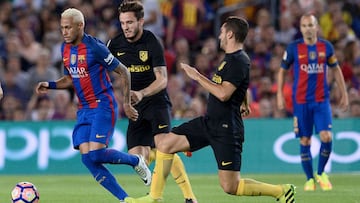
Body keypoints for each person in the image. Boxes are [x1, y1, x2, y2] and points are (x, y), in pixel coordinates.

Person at [127, 16, 295, 203]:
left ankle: (280, 191)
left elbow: (223, 93)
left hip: (226, 130)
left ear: (230, 34)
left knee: (231, 186)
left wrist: (197, 76)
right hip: (210, 122)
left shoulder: (238, 60)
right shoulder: (231, 59)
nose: (220, 35)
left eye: (222, 31)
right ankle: (154, 197)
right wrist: (244, 101)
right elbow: (241, 83)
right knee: (165, 144)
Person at [35, 8, 152, 203]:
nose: (64, 32)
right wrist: (51, 85)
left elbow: (124, 71)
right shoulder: (65, 48)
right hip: (84, 109)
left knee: (96, 153)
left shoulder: (94, 47)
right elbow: (72, 78)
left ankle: (136, 161)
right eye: (62, 28)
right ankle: (125, 199)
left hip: (102, 105)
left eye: (68, 28)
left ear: (80, 26)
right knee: (88, 159)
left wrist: (126, 104)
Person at [107, 1, 197, 203]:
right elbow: (121, 77)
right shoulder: (115, 45)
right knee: (139, 160)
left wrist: (142, 93)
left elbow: (162, 79)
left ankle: (188, 197)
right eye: (122, 23)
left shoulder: (152, 42)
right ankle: (176, 145)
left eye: (130, 22)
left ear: (141, 21)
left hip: (156, 102)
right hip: (135, 106)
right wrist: (127, 102)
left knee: (164, 145)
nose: (126, 27)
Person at [277, 14, 349, 191]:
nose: (307, 28)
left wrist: (344, 93)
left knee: (326, 136)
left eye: (310, 25)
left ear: (316, 26)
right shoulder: (294, 48)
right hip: (300, 102)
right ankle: (309, 179)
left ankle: (321, 172)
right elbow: (282, 71)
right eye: (304, 25)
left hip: (321, 100)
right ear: (300, 28)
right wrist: (279, 94)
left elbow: (336, 69)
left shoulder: (326, 47)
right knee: (305, 140)